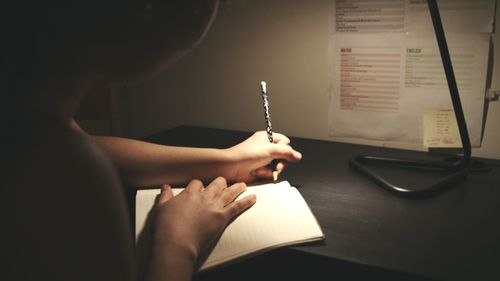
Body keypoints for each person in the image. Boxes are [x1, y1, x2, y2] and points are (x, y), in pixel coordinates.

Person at [1, 1, 302, 281]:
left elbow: (95, 149)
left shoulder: (28, 112)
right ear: (146, 11)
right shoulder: (50, 158)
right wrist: (177, 241)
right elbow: (81, 159)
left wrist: (228, 161)